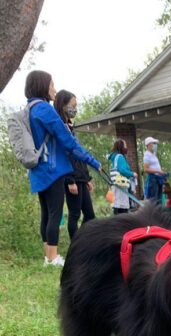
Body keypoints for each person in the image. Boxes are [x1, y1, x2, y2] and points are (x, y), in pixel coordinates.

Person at [25, 70, 101, 266]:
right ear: (42, 86)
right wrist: (94, 162)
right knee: (55, 213)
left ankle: (47, 255)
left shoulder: (30, 109)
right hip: (52, 170)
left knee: (46, 213)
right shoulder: (45, 109)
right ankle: (53, 258)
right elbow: (69, 144)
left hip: (38, 169)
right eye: (51, 85)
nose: (54, 89)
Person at [54, 90, 95, 240]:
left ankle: (83, 241)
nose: (75, 109)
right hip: (71, 177)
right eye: (73, 105)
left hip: (81, 177)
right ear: (63, 106)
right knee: (75, 214)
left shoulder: (70, 128)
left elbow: (79, 154)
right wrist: (70, 180)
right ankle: (76, 245)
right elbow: (63, 155)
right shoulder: (59, 127)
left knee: (90, 215)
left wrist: (87, 178)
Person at [108, 139, 137, 214]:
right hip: (121, 186)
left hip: (117, 186)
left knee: (117, 207)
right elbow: (122, 170)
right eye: (125, 145)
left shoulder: (115, 157)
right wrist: (132, 174)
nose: (126, 147)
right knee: (122, 208)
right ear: (121, 147)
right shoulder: (120, 157)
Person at [143, 136, 168, 201]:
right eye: (153, 143)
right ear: (148, 145)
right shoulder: (147, 155)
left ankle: (158, 211)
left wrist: (162, 172)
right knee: (154, 199)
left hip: (158, 179)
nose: (155, 145)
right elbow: (145, 169)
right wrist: (158, 171)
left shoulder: (153, 154)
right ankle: (153, 211)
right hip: (153, 179)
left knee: (159, 199)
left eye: (155, 143)